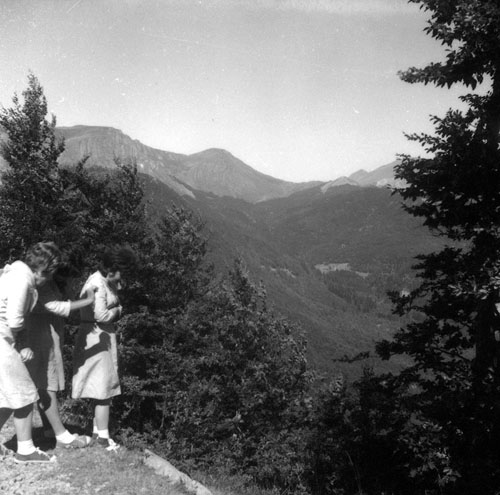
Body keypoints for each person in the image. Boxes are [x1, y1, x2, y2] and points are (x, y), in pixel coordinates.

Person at [0, 242, 61, 463]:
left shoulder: (13, 273)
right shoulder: (22, 279)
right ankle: (25, 451)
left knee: (9, 395)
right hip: (2, 339)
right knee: (24, 392)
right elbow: (15, 319)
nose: (49, 279)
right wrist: (23, 345)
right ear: (43, 269)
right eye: (50, 274)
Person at [25, 262, 96, 449]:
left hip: (47, 333)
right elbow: (56, 307)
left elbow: (67, 304)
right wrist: (89, 299)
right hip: (40, 335)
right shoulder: (44, 284)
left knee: (44, 383)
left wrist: (69, 288)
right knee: (47, 383)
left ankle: (49, 429)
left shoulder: (54, 284)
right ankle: (62, 436)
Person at [72, 246, 136, 451]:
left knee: (101, 386)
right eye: (121, 272)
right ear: (113, 268)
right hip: (97, 336)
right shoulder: (97, 284)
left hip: (99, 335)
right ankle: (103, 438)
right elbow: (101, 315)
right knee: (103, 389)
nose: (122, 277)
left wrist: (116, 286)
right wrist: (118, 310)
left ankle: (97, 432)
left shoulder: (103, 280)